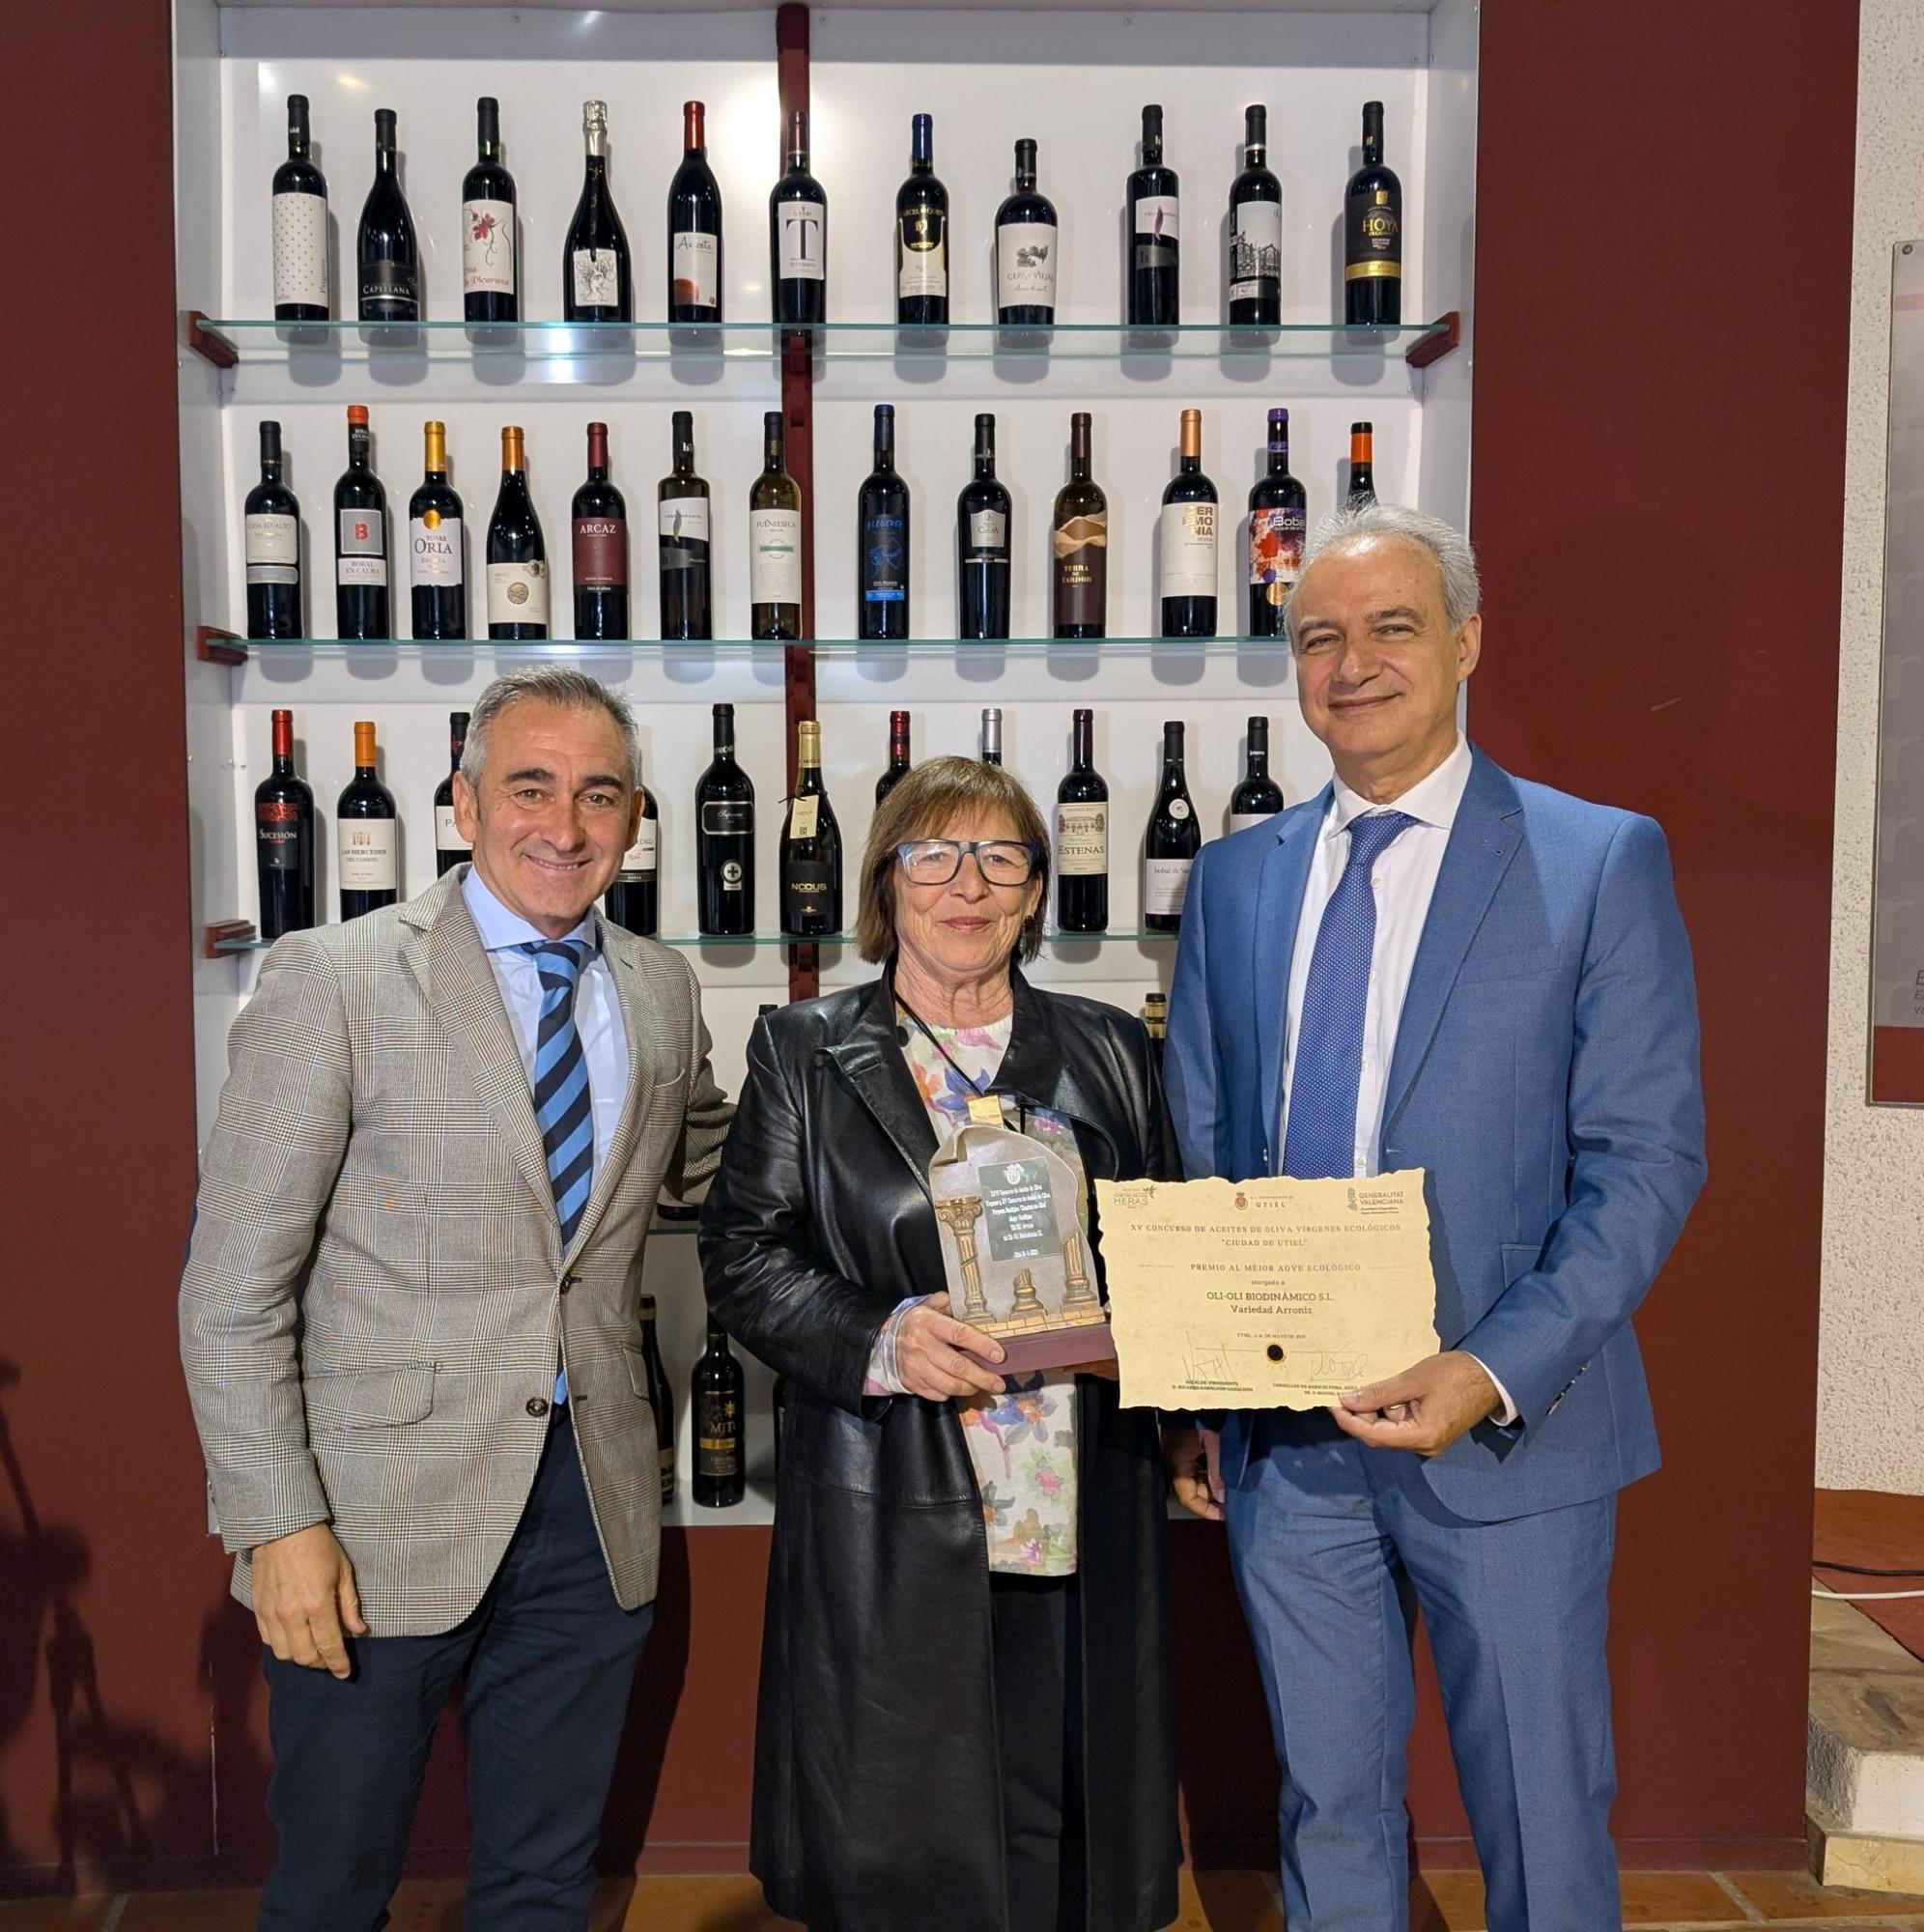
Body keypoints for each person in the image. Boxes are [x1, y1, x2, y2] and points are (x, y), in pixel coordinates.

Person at [1163, 502, 1706, 1932]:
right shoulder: (1235, 881)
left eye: (1390, 627)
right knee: (1328, 1807)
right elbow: (1209, 1145)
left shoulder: (1597, 860)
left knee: (1540, 1810)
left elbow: (1646, 1162)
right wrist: (1211, 1389)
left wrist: (1488, 1367)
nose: (1351, 664)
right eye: (1317, 638)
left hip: (1511, 1430)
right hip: (1290, 1443)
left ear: (1465, 643)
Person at [179, 666, 733, 1930]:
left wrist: (916, 1130)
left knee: (544, 1881)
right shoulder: (334, 979)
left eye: (600, 794)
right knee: (332, 1888)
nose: (566, 825)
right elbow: (228, 1294)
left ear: (635, 816)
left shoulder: (657, 986)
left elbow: (712, 1156)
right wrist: (278, 1524)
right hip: (370, 1522)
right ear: (465, 804)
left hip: (591, 1508)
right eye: (530, 787)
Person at [699, 756, 1181, 1932]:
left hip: (1079, 1498)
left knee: (1065, 1832)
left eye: (1000, 857)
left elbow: (1168, 1246)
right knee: (903, 1845)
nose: (967, 885)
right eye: (934, 855)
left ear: (1035, 889)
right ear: (886, 880)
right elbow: (742, 1259)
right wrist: (884, 1334)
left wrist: (1169, 1362)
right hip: (892, 1505)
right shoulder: (805, 1050)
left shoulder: (1111, 1049)